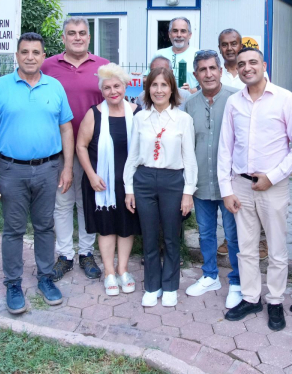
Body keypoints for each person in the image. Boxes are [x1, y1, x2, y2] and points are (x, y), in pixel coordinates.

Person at [0, 32, 75, 314]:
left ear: (44, 56)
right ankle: (13, 283)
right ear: (16, 56)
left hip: (48, 168)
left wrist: (68, 166)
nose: (30, 57)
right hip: (11, 170)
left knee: (45, 226)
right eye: (24, 52)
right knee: (13, 229)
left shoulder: (55, 87)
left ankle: (45, 277)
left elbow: (66, 128)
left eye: (36, 52)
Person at [218, 47, 292, 331]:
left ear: (264, 65)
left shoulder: (284, 99)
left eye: (252, 62)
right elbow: (225, 147)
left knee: (277, 249)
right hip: (240, 185)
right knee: (245, 248)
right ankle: (250, 297)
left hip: (273, 186)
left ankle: (275, 301)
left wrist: (273, 176)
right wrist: (226, 189)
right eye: (242, 63)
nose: (247, 67)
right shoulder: (234, 102)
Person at [123, 67, 197, 308]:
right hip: (144, 180)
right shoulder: (140, 118)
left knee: (172, 236)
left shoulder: (183, 120)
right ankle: (152, 285)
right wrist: (129, 188)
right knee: (150, 236)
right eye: (154, 85)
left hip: (172, 181)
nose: (159, 90)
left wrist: (188, 192)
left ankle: (171, 286)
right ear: (148, 89)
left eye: (164, 85)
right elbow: (132, 155)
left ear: (172, 89)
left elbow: (189, 159)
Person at [42, 17, 106, 281]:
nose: (77, 37)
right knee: (63, 202)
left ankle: (86, 253)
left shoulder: (103, 66)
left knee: (88, 202)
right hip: (60, 148)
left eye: (82, 33)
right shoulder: (48, 66)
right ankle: (65, 254)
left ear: (89, 37)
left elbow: (114, 100)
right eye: (71, 33)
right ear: (64, 37)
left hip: (94, 148)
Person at [183, 50, 242, 309]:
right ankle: (210, 276)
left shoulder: (236, 99)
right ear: (195, 74)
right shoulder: (189, 104)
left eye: (212, 68)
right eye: (202, 70)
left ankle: (238, 281)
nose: (208, 74)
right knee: (205, 233)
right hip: (201, 183)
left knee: (233, 235)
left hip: (230, 184)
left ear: (220, 70)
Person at [76, 63, 141, 296]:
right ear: (101, 91)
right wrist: (92, 175)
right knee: (106, 229)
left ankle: (123, 270)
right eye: (107, 88)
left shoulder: (137, 112)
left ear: (125, 86)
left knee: (126, 228)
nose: (113, 91)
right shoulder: (94, 114)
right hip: (100, 183)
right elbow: (81, 146)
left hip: (129, 184)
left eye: (117, 86)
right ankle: (109, 273)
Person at [216, 30, 268, 261]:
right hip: (229, 138)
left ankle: (263, 241)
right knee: (238, 202)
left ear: (240, 45)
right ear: (220, 48)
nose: (229, 48)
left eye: (233, 44)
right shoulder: (217, 73)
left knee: (260, 201)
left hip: (256, 144)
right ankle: (230, 239)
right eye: (224, 45)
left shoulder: (252, 70)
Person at [153, 17, 198, 90]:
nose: (179, 35)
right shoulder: (159, 54)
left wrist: (192, 91)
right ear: (169, 34)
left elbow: (206, 82)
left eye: (183, 31)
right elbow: (148, 79)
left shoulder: (198, 55)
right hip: (162, 99)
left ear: (190, 35)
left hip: (189, 100)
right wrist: (137, 78)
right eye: (175, 31)